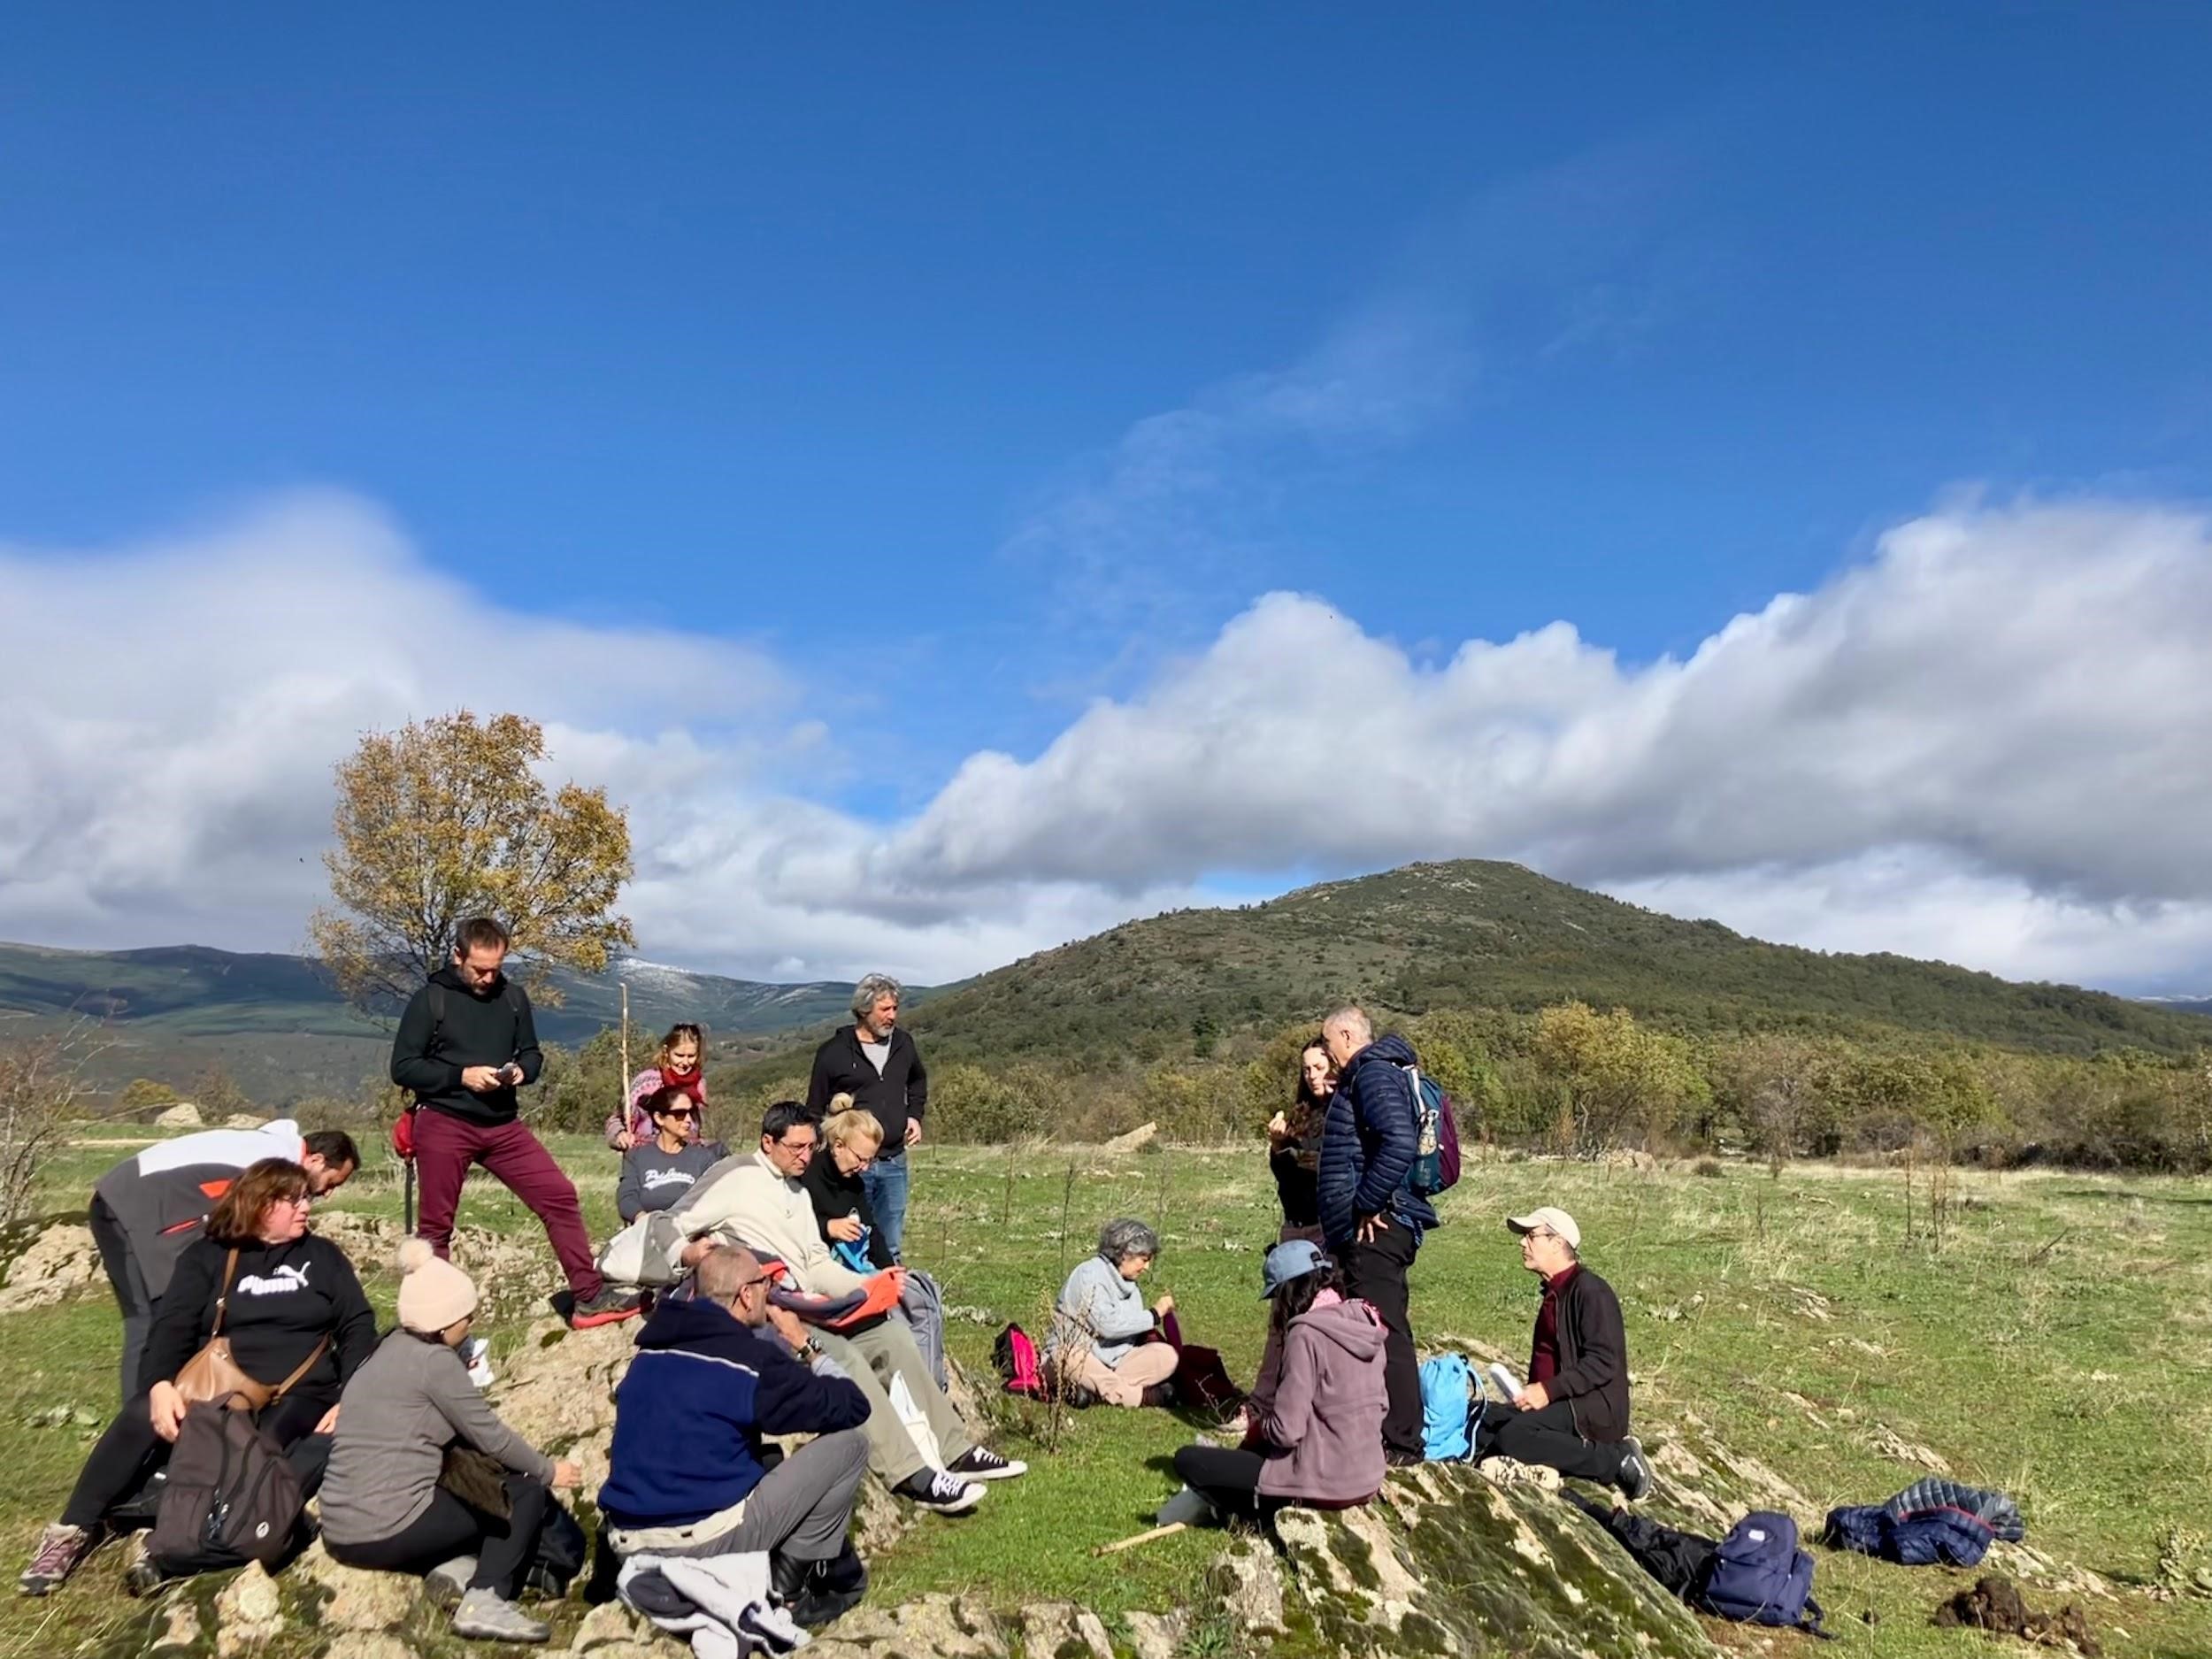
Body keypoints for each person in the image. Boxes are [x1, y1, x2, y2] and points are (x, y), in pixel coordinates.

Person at [19, 1159, 377, 1597]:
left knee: (268, 1447)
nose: (307, 1206)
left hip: (303, 1393)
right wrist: (159, 1386)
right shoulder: (208, 1256)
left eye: (306, 1197)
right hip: (222, 1388)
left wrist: (353, 1394)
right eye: (294, 1199)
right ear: (261, 1204)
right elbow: (171, 1328)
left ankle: (180, 1542)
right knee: (138, 1416)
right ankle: (72, 1531)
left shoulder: (322, 1257)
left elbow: (357, 1325)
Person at [666, 1104, 1025, 1514]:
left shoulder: (797, 1192)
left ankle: (955, 1448)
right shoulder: (737, 1177)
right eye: (796, 1147)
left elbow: (817, 1263)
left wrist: (869, 1287)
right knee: (844, 1356)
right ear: (768, 1142)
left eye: (809, 1146)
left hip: (809, 1302)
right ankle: (912, 1475)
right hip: (767, 1311)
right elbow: (671, 1223)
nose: (805, 1156)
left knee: (891, 1336)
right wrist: (685, 1254)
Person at [319, 1240, 583, 1645]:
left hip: (339, 1530)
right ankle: (486, 1600)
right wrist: (550, 1470)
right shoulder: (436, 1364)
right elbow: (492, 1438)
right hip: (385, 1532)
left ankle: (458, 1569)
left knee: (453, 1485)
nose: (472, 1324)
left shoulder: (383, 1350)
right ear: (443, 1323)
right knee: (523, 1493)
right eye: (467, 1316)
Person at [600, 1246, 872, 1628]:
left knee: (768, 1459)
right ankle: (790, 1594)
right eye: (766, 1284)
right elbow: (853, 1405)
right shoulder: (748, 1359)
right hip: (698, 1542)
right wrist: (804, 1344)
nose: (770, 1291)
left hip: (624, 1540)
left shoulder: (648, 1353)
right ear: (747, 1294)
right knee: (851, 1445)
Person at [390, 916, 639, 1331]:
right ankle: (432, 1327)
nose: (488, 978)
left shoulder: (514, 998)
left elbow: (533, 1054)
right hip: (444, 1121)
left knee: (559, 1195)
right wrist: (461, 1076)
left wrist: (522, 1071)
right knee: (436, 1228)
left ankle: (589, 1297)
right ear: (458, 956)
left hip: (503, 1125)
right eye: (479, 969)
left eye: (496, 968)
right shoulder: (430, 1000)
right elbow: (403, 1067)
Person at [89, 1121, 359, 1402]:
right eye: (331, 1182)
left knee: (143, 1318)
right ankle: (157, 1411)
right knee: (167, 1314)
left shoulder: (265, 1145)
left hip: (116, 1197)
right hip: (148, 1204)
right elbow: (243, 1222)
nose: (327, 1193)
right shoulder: (270, 1164)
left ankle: (150, 1410)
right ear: (316, 1159)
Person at [1163, 1241, 1385, 1528]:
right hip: (1367, 1474)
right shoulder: (1368, 1322)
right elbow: (1381, 1408)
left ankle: (1248, 1515)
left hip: (1324, 1479)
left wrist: (1261, 1426)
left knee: (1188, 1460)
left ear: (1287, 1291)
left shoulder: (1306, 1333)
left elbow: (1287, 1431)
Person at [1316, 1005, 1434, 1466]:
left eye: (1329, 1045)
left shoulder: (1372, 1074)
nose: (1329, 1054)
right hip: (1373, 1226)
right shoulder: (1373, 1075)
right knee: (1376, 1328)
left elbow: (1399, 1141)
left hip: (1378, 1228)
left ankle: (1402, 1443)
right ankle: (1381, 1431)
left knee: (1386, 1332)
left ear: (1347, 1035)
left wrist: (1366, 1202)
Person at [1472, 1208, 1652, 1500]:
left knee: (1513, 1436)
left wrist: (1547, 1390)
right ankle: (1547, 1462)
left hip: (1591, 1407)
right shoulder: (1556, 1291)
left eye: (1532, 1236)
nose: (1522, 1244)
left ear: (1558, 1243)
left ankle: (1613, 1459)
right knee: (1485, 1420)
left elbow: (1603, 1361)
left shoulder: (1590, 1291)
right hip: (1559, 1402)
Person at [805, 975, 926, 1262]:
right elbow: (813, 1108)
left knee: (891, 1242)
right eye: (885, 1010)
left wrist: (915, 1115)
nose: (892, 1016)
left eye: (895, 1008)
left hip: (894, 1160)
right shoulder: (833, 1052)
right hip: (852, 1166)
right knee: (849, 1240)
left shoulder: (904, 1044)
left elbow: (918, 1081)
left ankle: (888, 1294)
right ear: (863, 1010)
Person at [1045, 1219, 1179, 1409]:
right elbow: (1108, 1326)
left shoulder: (1131, 1286)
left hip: (1116, 1362)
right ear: (1125, 1254)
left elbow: (1130, 1329)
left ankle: (1090, 1392)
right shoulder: (1089, 1276)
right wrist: (1154, 1315)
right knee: (1067, 1357)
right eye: (1144, 1259)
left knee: (1167, 1356)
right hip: (1079, 1358)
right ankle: (1144, 1397)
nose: (1147, 1267)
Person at [797, 1098, 892, 1273]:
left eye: (870, 1161)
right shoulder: (804, 1173)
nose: (864, 1168)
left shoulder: (855, 1184)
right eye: (860, 1159)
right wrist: (828, 1227)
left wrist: (890, 1270)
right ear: (839, 1146)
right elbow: (786, 1224)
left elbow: (871, 1231)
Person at [617, 1087, 726, 1223]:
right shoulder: (636, 1157)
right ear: (659, 1118)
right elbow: (627, 1197)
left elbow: (714, 1201)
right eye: (680, 1114)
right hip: (649, 1231)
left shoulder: (704, 1158)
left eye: (690, 1112)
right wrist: (643, 1219)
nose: (688, 1120)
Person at [1267, 1042, 1333, 1245]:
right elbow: (1284, 1175)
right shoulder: (1301, 1115)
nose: (1312, 1076)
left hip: (1328, 1226)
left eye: (1319, 1068)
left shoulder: (1346, 1113)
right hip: (1295, 1225)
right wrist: (1278, 1144)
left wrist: (1303, 1158)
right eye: (1306, 1070)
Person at [607, 1024, 709, 1150]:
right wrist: (620, 1136)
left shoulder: (699, 1085)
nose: (685, 1063)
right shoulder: (646, 1082)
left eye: (691, 1056)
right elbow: (617, 1119)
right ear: (666, 1052)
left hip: (688, 1158)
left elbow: (701, 1127)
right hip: (645, 1157)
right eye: (679, 1055)